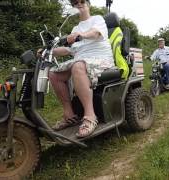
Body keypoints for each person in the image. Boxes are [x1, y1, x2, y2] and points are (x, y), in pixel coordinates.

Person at [38, 0, 115, 138]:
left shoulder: (97, 19)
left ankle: (90, 116)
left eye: (82, 1)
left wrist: (81, 35)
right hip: (80, 60)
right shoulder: (75, 28)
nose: (78, 4)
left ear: (88, 4)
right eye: (75, 3)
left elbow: (96, 33)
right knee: (54, 73)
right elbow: (69, 50)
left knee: (77, 66)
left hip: (101, 59)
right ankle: (70, 115)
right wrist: (49, 50)